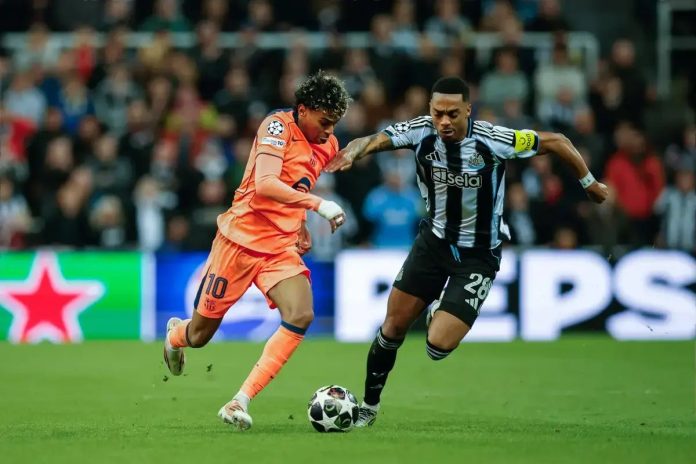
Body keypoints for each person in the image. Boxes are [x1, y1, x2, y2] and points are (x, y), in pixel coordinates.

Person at [325, 76, 608, 427]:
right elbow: (372, 139)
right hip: (433, 244)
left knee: (437, 347)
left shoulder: (494, 139)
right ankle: (369, 407)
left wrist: (588, 182)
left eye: (452, 114)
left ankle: (440, 307)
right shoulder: (420, 130)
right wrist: (354, 151)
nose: (444, 121)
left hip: (478, 254)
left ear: (468, 111)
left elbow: (558, 141)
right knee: (393, 327)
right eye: (437, 113)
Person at [163, 71, 351, 431]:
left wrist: (299, 222)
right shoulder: (277, 127)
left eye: (335, 124)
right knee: (199, 336)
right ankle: (175, 336)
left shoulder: (327, 145)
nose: (329, 132)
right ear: (303, 110)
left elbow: (298, 184)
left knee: (301, 314)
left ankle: (239, 400)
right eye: (324, 122)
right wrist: (317, 205)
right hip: (239, 241)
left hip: (278, 247)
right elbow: (265, 185)